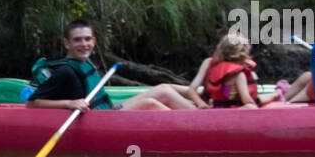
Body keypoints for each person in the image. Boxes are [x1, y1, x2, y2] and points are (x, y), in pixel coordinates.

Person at [26, 20, 197, 111]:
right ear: (67, 43)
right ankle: (191, 129)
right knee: (150, 103)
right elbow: (32, 103)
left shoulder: (84, 62)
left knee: (164, 89)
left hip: (109, 109)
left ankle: (202, 113)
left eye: (87, 39)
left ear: (94, 41)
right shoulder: (66, 72)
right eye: (77, 40)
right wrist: (69, 103)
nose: (83, 44)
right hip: (98, 118)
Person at [187, 31, 260, 108]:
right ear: (244, 54)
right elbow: (246, 100)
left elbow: (191, 90)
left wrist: (202, 104)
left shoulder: (214, 67)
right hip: (229, 110)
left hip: (216, 106)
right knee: (251, 107)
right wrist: (255, 104)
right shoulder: (239, 75)